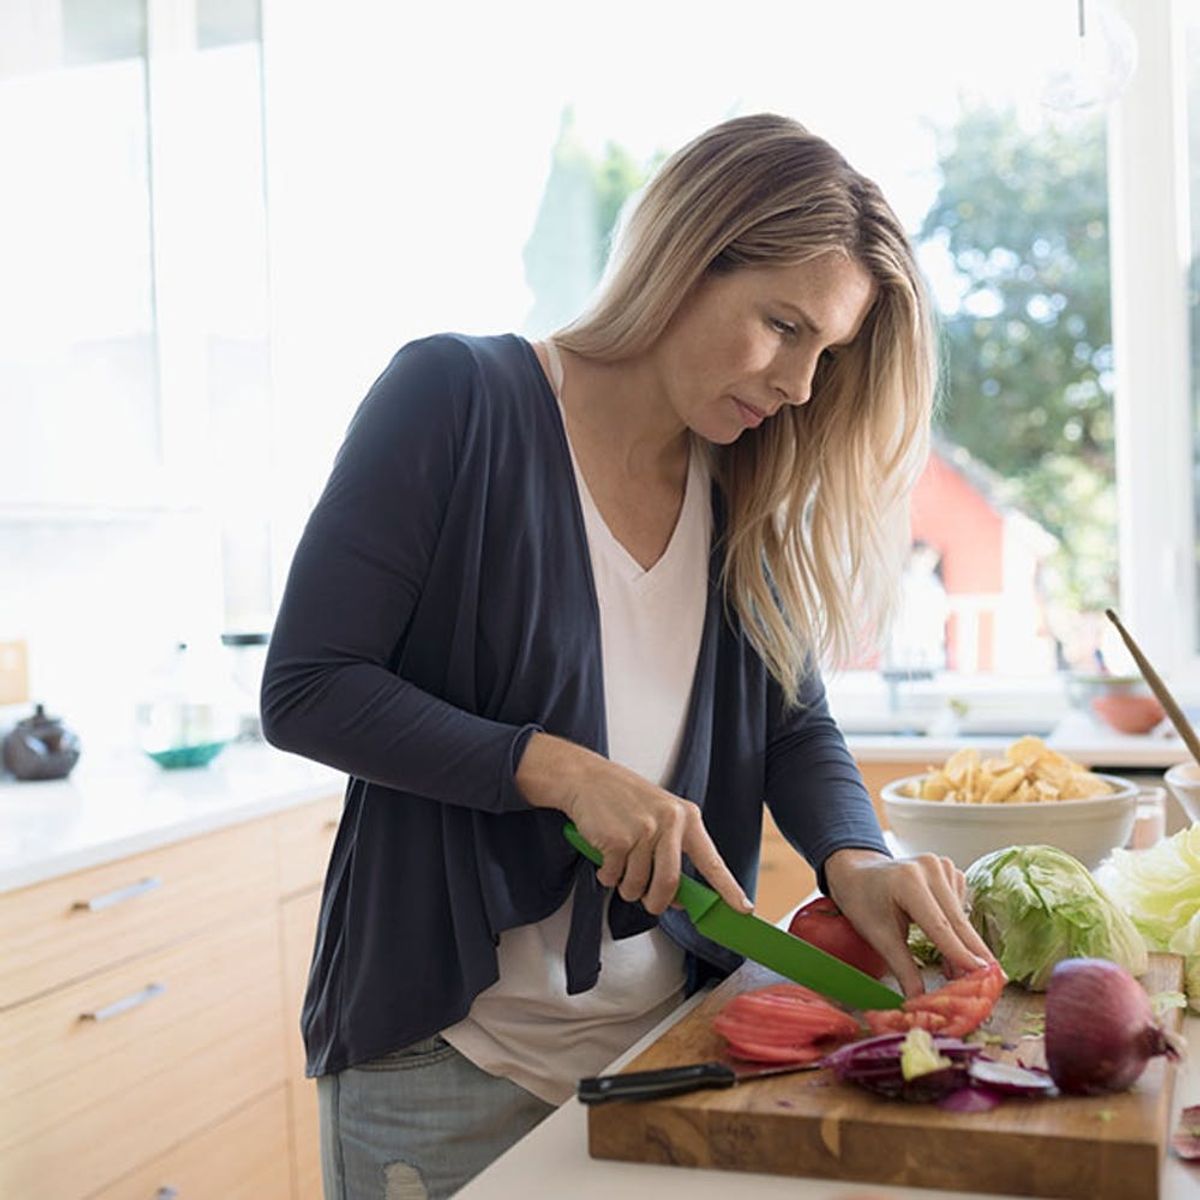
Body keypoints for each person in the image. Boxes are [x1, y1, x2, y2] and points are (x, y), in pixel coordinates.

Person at [261, 112, 996, 1200]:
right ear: (687, 256)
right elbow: (306, 689)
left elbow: (796, 727)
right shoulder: (457, 401)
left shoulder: (746, 485)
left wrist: (857, 857)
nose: (800, 384)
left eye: (825, 353)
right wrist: (559, 769)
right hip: (442, 1067)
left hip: (664, 1053)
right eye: (782, 326)